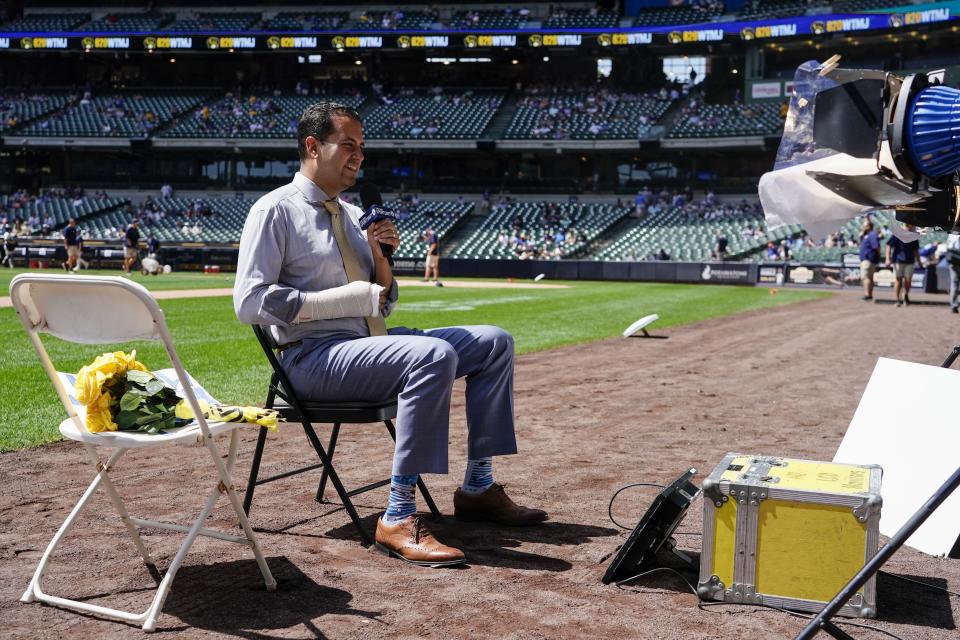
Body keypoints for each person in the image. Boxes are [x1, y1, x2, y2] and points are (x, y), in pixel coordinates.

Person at [234, 103, 547, 568]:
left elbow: (383, 301)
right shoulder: (274, 210)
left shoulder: (359, 213)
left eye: (362, 146)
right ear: (313, 147)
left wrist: (383, 257)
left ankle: (477, 487)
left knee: (495, 341)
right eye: (349, 145)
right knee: (433, 355)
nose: (359, 155)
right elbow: (249, 301)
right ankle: (398, 514)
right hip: (311, 357)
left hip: (367, 345)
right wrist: (345, 299)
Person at [885, 225, 920, 306]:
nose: (914, 227)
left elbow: (916, 250)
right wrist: (888, 258)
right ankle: (897, 299)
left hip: (910, 260)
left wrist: (919, 261)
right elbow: (889, 245)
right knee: (898, 280)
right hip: (898, 260)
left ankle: (905, 294)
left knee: (908, 280)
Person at [858, 220, 881, 301]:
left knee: (866, 277)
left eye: (864, 225)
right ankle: (869, 295)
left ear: (868, 226)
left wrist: (878, 255)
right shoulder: (866, 235)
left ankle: (867, 295)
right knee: (869, 278)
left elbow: (876, 246)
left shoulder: (872, 234)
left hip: (868, 259)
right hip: (869, 259)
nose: (863, 227)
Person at [946, 231, 960, 314]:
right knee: (954, 284)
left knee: (954, 284)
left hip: (952, 261)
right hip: (957, 260)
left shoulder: (951, 234)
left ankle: (953, 305)